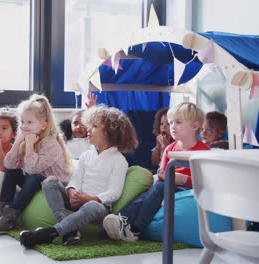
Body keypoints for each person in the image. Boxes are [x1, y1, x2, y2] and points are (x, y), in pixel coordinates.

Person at [19, 106, 139, 248]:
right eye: (89, 125)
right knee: (49, 182)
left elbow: (114, 192)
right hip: (77, 199)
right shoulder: (86, 155)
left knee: (93, 206)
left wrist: (90, 198)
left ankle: (51, 232)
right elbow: (75, 179)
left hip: (97, 207)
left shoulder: (119, 160)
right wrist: (71, 191)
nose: (88, 129)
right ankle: (69, 231)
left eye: (94, 126)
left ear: (110, 132)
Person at [102, 102, 210, 242]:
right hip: (167, 186)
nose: (172, 127)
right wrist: (162, 176)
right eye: (171, 123)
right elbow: (162, 172)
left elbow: (206, 181)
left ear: (194, 126)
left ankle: (136, 229)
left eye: (178, 123)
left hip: (187, 188)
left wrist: (183, 179)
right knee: (146, 193)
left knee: (158, 188)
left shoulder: (204, 151)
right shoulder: (170, 148)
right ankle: (120, 219)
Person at [0, 94, 73, 232]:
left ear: (43, 125)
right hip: (35, 181)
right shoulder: (26, 138)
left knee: (34, 176)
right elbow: (9, 165)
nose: (24, 126)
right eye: (22, 122)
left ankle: (11, 217)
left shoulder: (51, 144)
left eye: (30, 122)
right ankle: (1, 213)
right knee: (12, 173)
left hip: (54, 185)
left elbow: (33, 170)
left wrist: (30, 145)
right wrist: (18, 142)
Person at [59, 93, 97, 159]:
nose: (78, 127)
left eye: (83, 124)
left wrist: (92, 109)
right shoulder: (65, 141)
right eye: (75, 123)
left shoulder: (92, 142)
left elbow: (98, 125)